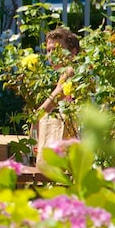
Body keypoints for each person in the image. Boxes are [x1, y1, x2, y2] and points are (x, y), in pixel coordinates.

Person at [33, 27, 80, 168]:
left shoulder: (71, 71)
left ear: (73, 52)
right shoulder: (70, 70)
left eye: (57, 49)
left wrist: (35, 119)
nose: (51, 55)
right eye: (49, 50)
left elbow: (50, 103)